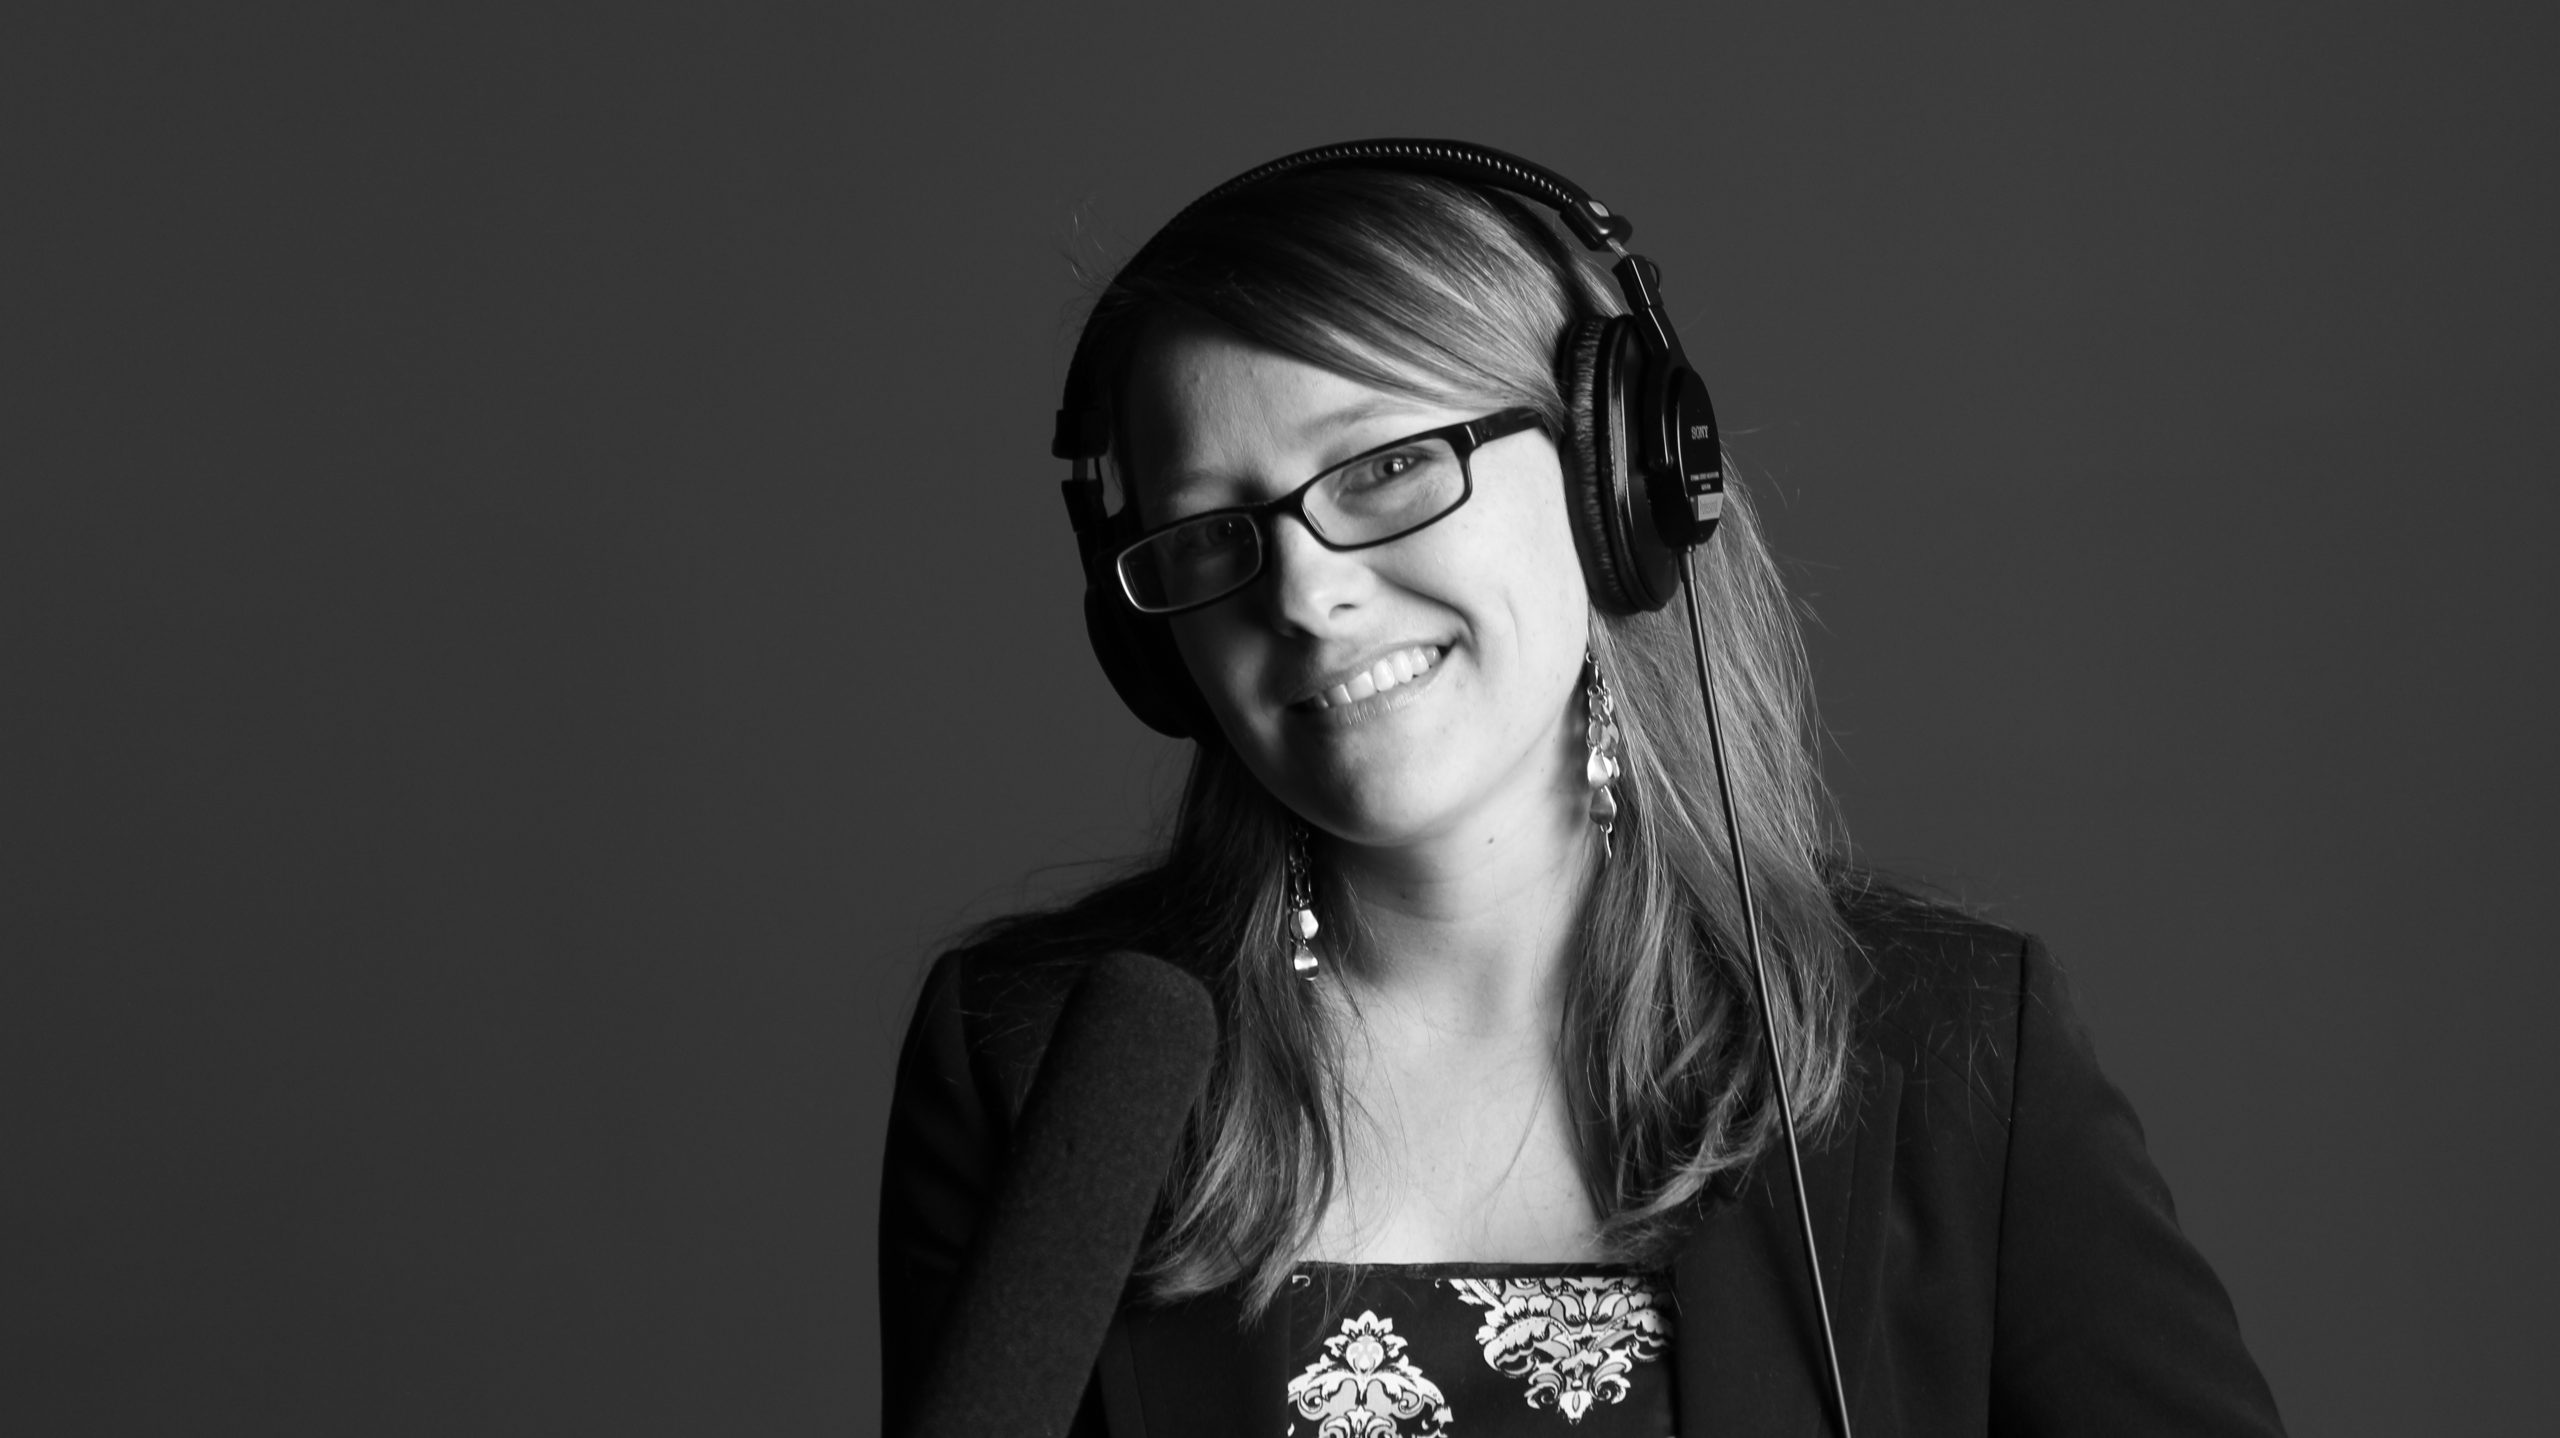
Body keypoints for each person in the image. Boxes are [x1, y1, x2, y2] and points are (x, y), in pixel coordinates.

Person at [879, 141, 2286, 1437]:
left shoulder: (1953, 1053)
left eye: (1386, 468)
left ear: (1615, 480)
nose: (1305, 593)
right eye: (1210, 532)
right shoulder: (1027, 1067)